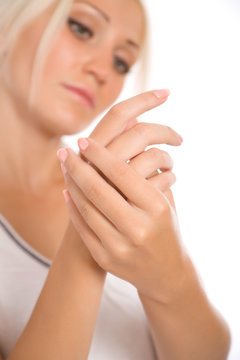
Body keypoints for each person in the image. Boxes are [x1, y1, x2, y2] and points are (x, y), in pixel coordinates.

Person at [0, 0, 231, 359]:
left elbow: (210, 353)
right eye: (82, 28)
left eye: (121, 62)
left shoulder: (125, 193)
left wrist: (172, 278)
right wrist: (87, 231)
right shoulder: (107, 192)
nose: (104, 71)